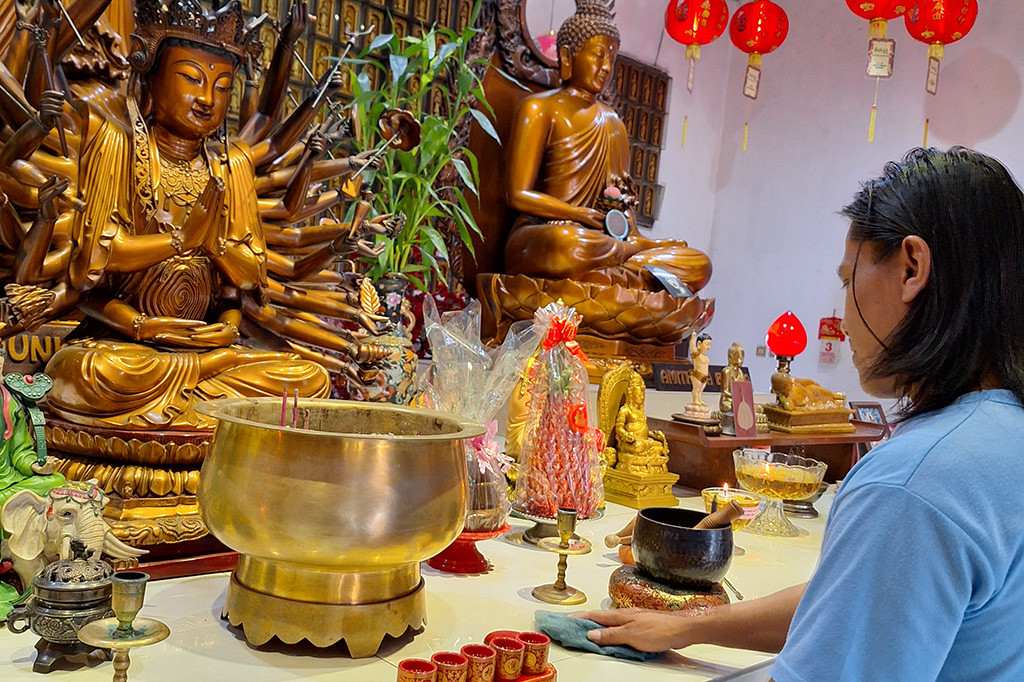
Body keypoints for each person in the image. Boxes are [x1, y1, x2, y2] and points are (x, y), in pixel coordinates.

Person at [576, 147, 1024, 680]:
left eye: (846, 278)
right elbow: (854, 603)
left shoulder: (914, 483)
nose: (840, 313)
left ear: (911, 268)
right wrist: (685, 625)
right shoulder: (1001, 435)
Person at [503, 0, 710, 294]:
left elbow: (621, 208)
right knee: (569, 244)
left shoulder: (613, 123)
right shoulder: (539, 108)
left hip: (602, 240)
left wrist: (642, 241)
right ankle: (630, 278)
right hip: (547, 235)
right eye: (599, 55)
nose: (606, 67)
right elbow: (517, 194)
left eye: (612, 58)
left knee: (698, 263)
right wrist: (578, 215)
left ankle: (612, 277)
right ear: (567, 55)